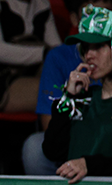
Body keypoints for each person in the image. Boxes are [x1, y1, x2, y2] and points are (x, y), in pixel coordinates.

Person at [23, 0, 112, 175]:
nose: (89, 55)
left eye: (99, 47)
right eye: (86, 48)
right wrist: (68, 97)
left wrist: (90, 165)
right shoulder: (83, 98)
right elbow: (52, 151)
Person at [0, 0, 61, 113]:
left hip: (33, 71)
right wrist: (44, 53)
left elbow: (57, 50)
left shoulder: (42, 4)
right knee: (55, 92)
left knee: (72, 83)